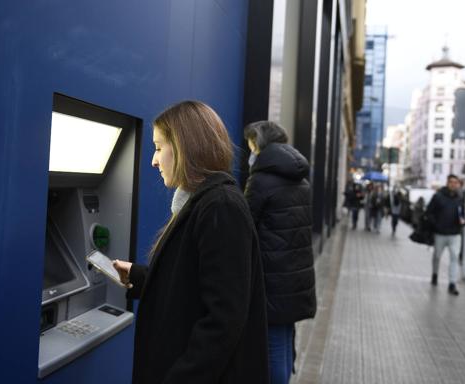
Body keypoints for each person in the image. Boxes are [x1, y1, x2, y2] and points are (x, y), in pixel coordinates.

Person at [112, 101, 269, 384]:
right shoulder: (200, 203)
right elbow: (193, 285)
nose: (153, 160)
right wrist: (139, 276)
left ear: (186, 146)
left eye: (159, 147)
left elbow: (223, 320)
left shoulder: (220, 206)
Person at [244, 121, 316, 384]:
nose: (250, 151)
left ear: (260, 145)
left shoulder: (261, 180)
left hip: (271, 277)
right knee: (285, 340)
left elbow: (245, 226)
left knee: (273, 347)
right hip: (294, 275)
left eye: (252, 145)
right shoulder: (300, 178)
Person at [425, 174, 465, 296]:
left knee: (454, 257)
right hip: (440, 233)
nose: (454, 184)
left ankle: (452, 283)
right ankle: (435, 274)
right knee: (437, 256)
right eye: (451, 182)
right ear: (447, 183)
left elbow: (462, 214)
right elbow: (429, 212)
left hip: (455, 234)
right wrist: (436, 225)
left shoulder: (459, 198)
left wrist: (463, 220)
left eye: (456, 182)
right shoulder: (438, 197)